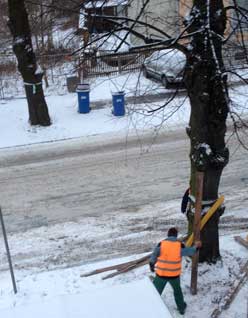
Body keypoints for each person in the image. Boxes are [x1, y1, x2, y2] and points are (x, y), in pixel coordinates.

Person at [149, 227, 201, 315]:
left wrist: (152, 265)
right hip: (174, 276)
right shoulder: (179, 245)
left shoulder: (161, 244)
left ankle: (150, 307)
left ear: (168, 235)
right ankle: (181, 308)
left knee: (155, 292)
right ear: (176, 235)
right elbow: (190, 251)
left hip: (161, 275)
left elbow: (154, 255)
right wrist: (196, 246)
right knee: (177, 292)